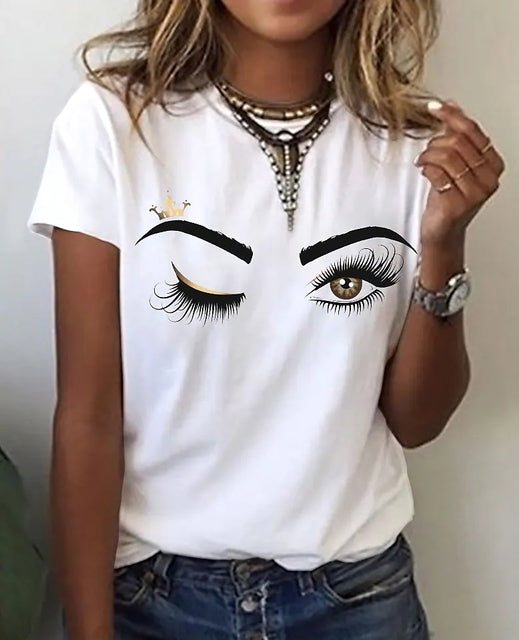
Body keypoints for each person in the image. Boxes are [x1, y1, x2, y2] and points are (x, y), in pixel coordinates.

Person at [28, 1, 505, 638]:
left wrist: (444, 244)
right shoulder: (114, 122)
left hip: (356, 599)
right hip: (156, 599)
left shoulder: (418, 145)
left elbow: (417, 422)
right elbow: (88, 416)